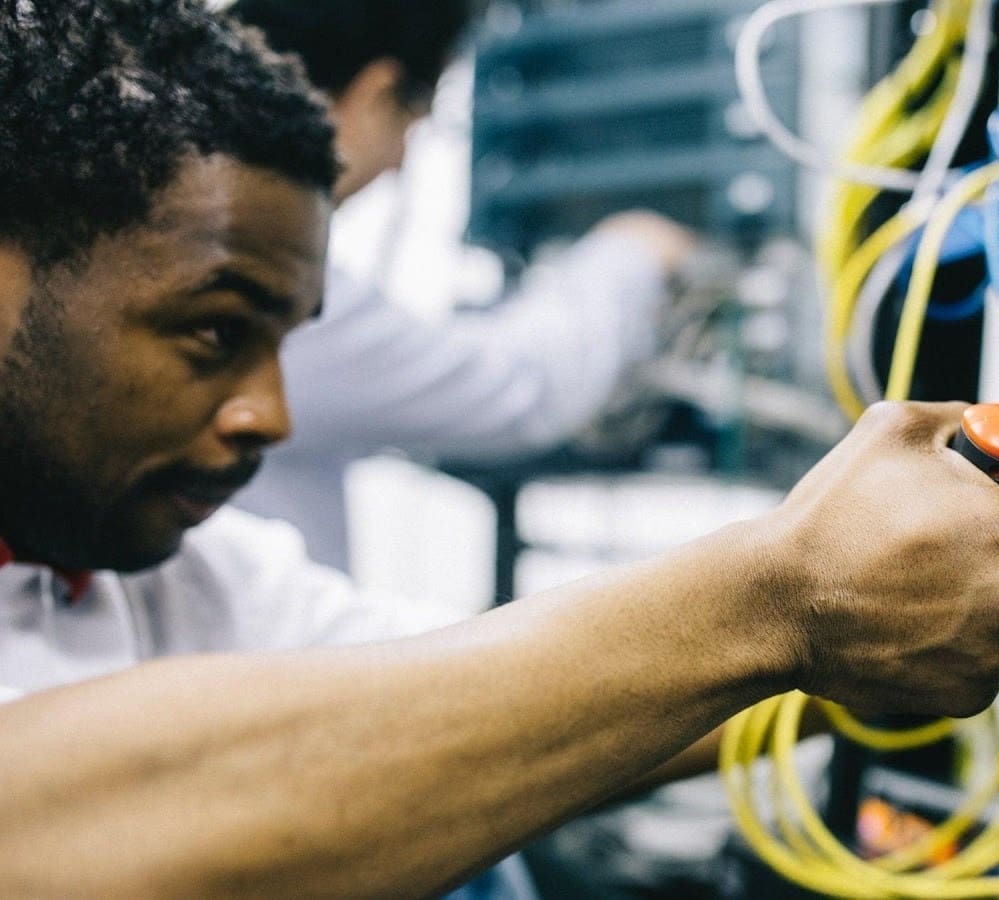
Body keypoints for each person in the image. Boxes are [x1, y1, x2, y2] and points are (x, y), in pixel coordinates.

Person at [0, 2, 999, 894]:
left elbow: (485, 690)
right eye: (215, 332)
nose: (269, 415)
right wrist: (784, 599)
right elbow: (69, 824)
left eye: (283, 344)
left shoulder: (176, 570)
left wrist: (960, 574)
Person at [222, 0, 699, 571]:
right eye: (412, 125)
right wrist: (634, 249)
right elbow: (519, 388)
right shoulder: (275, 291)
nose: (400, 164)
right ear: (378, 95)